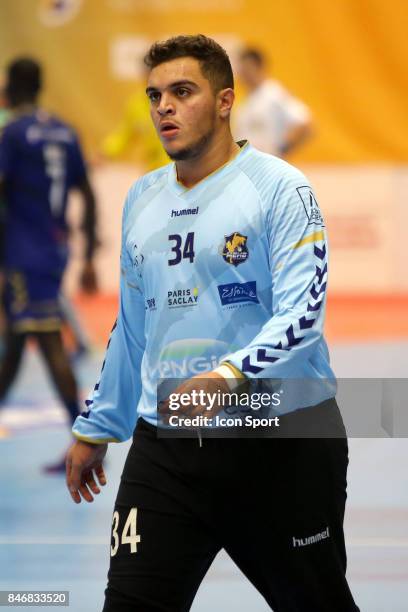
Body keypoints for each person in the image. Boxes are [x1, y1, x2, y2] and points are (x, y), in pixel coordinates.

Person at [66, 35, 360, 612]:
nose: (163, 108)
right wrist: (98, 425)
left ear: (225, 101)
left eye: (182, 92)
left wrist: (227, 377)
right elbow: (132, 327)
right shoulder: (141, 197)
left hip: (281, 439)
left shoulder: (280, 188)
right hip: (167, 449)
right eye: (154, 96)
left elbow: (302, 314)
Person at [0, 57, 98, 472]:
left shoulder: (13, 134)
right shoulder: (63, 129)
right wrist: (90, 254)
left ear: (9, 87)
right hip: (54, 250)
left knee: (48, 341)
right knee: (20, 339)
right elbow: (88, 194)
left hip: (24, 251)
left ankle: (84, 438)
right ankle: (82, 436)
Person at [235, 47, 313, 158]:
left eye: (247, 69)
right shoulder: (244, 104)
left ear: (259, 67)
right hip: (248, 168)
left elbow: (304, 124)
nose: (243, 75)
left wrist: (280, 151)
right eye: (241, 70)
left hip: (267, 168)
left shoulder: (273, 93)